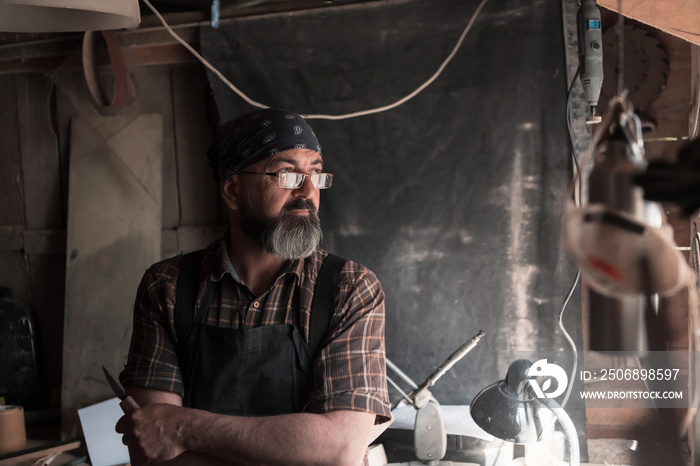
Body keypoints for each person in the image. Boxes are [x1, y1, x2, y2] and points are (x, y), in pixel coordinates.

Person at [116, 107, 392, 466]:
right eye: (287, 174)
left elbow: (338, 448)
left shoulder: (349, 288)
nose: (309, 191)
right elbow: (154, 447)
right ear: (233, 191)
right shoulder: (166, 287)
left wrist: (184, 427)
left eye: (316, 173)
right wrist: (297, 450)